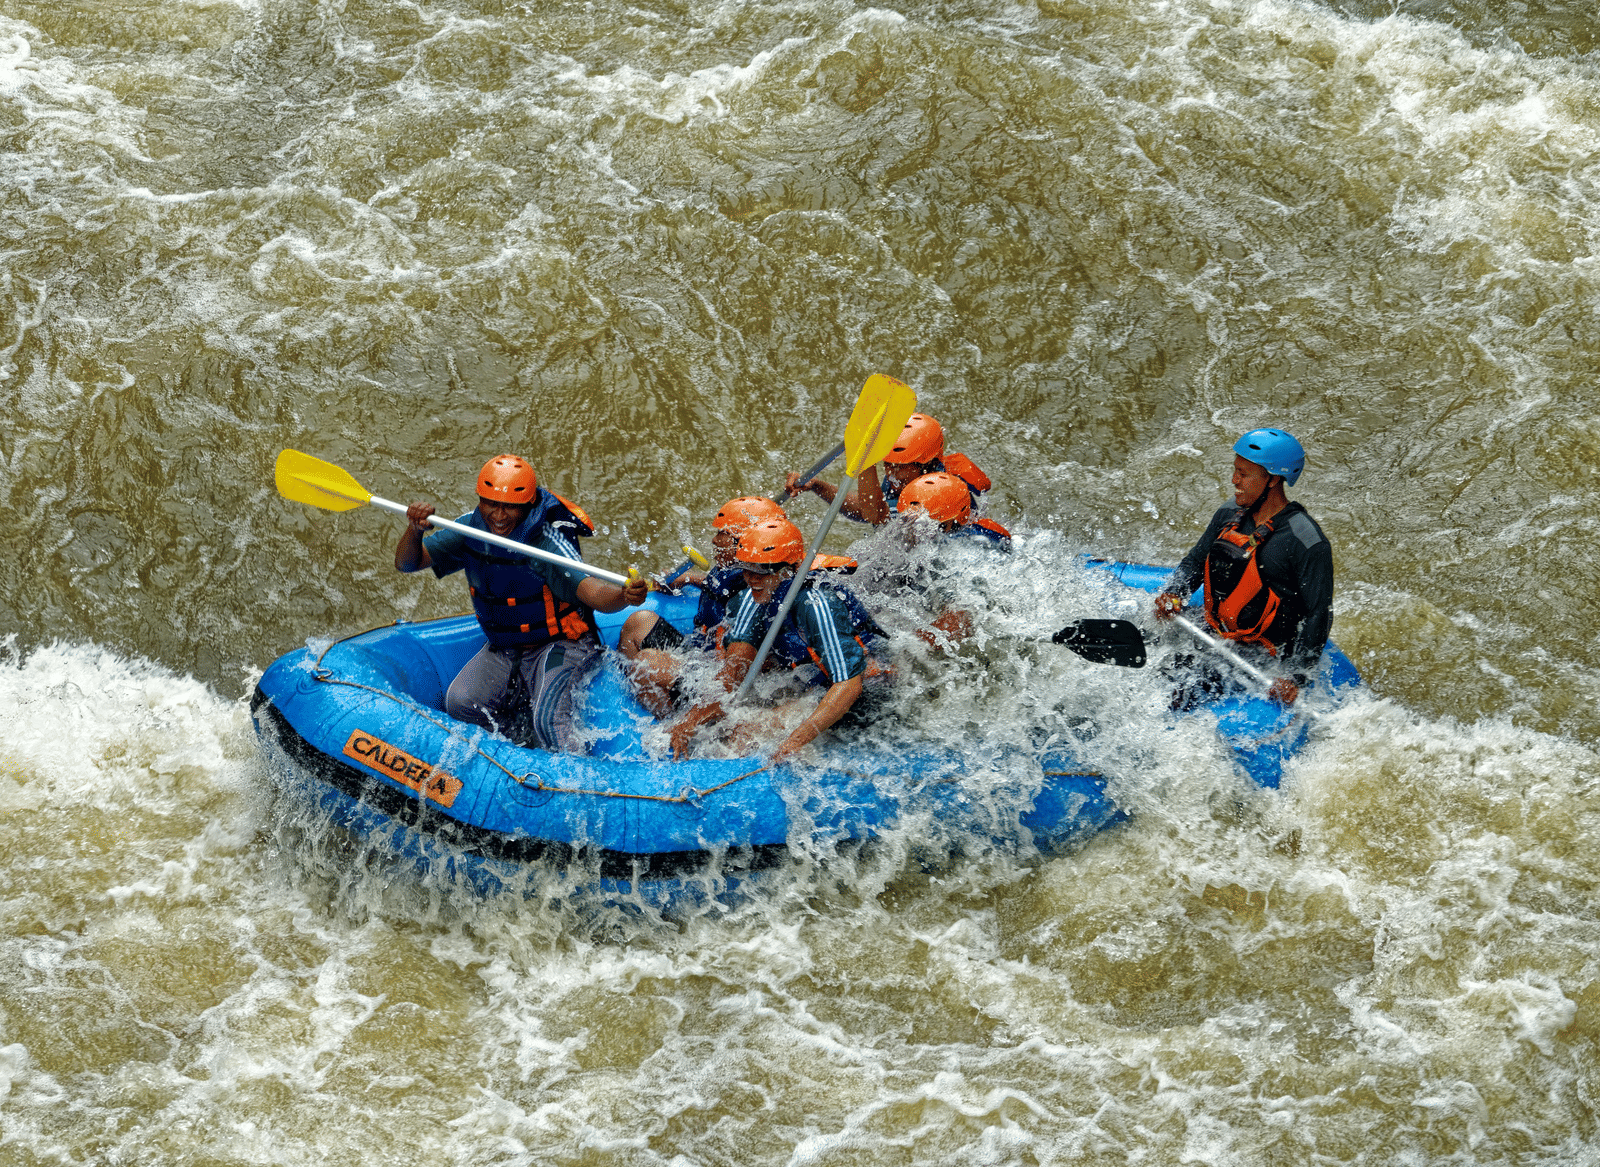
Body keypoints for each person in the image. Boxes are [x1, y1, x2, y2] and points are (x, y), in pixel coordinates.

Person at [395, 454, 648, 748]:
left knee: (548, 720)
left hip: (562, 644)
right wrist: (414, 530)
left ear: (527, 505)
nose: (499, 516)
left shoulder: (548, 541)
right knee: (461, 703)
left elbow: (593, 593)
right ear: (480, 500)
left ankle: (570, 780)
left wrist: (623, 595)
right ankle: (520, 753)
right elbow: (407, 564)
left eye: (510, 507)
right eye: (492, 504)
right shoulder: (469, 529)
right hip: (506, 648)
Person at [668, 518, 889, 762]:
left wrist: (795, 741)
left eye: (760, 571)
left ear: (788, 570)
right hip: (811, 677)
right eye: (745, 568)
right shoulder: (755, 597)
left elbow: (848, 685)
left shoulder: (816, 604)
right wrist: (690, 722)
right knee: (730, 723)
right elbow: (734, 673)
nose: (750, 578)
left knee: (745, 731)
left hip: (865, 686)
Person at [1152, 429, 1332, 706]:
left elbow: (1318, 615)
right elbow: (1194, 563)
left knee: (1178, 691)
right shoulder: (1229, 514)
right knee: (1148, 653)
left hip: (1264, 652)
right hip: (1215, 628)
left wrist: (1295, 677)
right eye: (1235, 470)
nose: (1234, 480)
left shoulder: (1306, 541)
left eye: (1244, 474)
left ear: (1272, 480)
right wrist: (1175, 593)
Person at [615, 495, 787, 716]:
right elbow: (721, 586)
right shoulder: (736, 572)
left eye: (722, 534)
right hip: (702, 656)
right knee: (638, 621)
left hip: (723, 682)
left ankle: (675, 723)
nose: (714, 541)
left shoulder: (758, 592)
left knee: (646, 662)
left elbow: (738, 671)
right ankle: (646, 703)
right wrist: (688, 578)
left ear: (745, 543)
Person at [785, 413, 991, 525]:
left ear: (925, 463)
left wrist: (865, 460)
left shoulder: (936, 489)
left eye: (900, 466)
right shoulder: (903, 478)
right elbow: (865, 508)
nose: (891, 472)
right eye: (887, 463)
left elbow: (874, 515)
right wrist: (818, 486)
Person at [892, 471, 1013, 646]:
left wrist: (904, 647)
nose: (906, 529)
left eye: (917, 523)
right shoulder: (967, 530)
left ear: (947, 524)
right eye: (905, 519)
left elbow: (960, 622)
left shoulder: (944, 559)